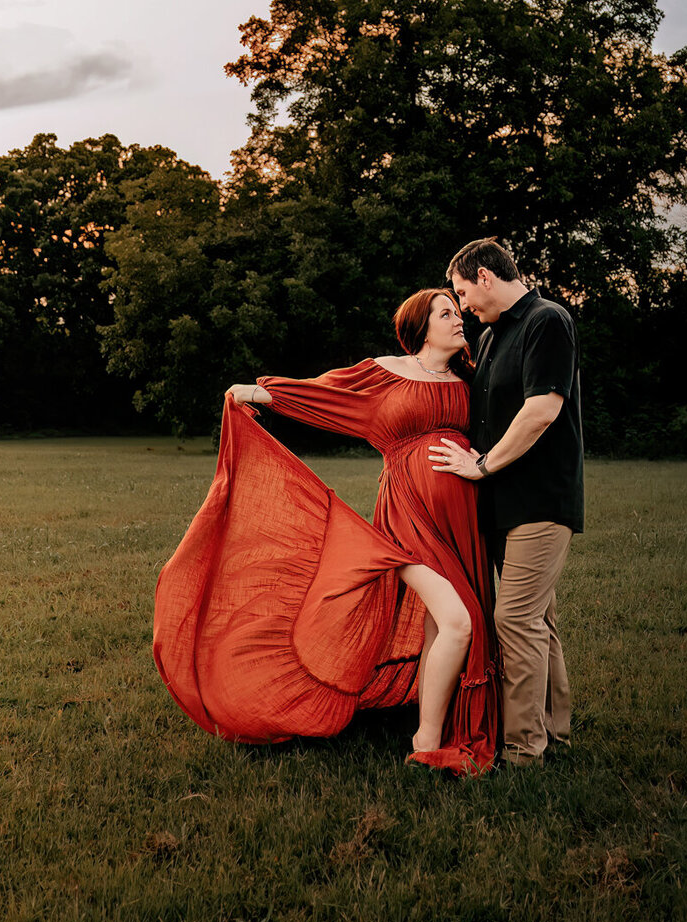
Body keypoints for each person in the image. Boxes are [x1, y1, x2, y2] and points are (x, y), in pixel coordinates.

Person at [152, 289, 499, 775]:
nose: (458, 319)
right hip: (410, 515)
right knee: (459, 621)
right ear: (422, 326)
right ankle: (425, 741)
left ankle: (432, 729)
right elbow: (325, 393)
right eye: (447, 312)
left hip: (462, 521)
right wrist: (253, 392)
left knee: (440, 624)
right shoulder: (384, 372)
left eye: (459, 312)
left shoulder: (468, 380)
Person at [430, 237, 583, 766]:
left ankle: (522, 749)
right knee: (538, 620)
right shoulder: (496, 336)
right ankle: (555, 734)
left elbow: (542, 409)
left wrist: (484, 464)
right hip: (502, 506)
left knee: (514, 620)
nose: (463, 304)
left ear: (486, 277)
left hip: (540, 500)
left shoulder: (547, 320)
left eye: (463, 292)